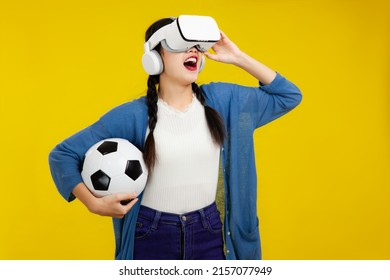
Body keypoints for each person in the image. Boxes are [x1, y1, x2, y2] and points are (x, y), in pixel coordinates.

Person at [49, 15, 302, 260]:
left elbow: (288, 96)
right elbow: (63, 155)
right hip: (151, 234)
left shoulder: (225, 101)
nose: (192, 51)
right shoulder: (132, 116)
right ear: (155, 58)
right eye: (180, 45)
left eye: (196, 47)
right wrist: (93, 204)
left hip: (211, 234)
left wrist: (237, 57)